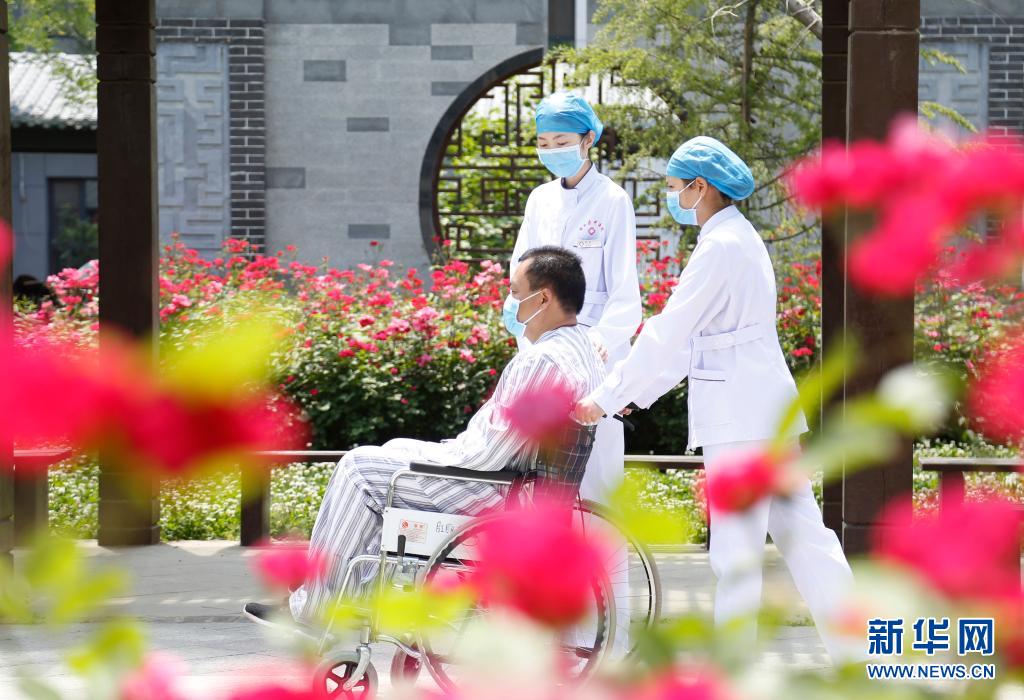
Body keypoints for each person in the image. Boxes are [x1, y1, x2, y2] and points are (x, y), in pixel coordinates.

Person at [574, 136, 863, 664]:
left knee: (736, 553)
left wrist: (606, 396)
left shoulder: (719, 248)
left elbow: (670, 332)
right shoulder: (740, 238)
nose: (672, 198)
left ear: (700, 187)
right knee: (806, 539)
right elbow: (697, 341)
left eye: (674, 188)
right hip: (764, 410)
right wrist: (631, 395)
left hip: (738, 418)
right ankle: (864, 653)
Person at [243, 246, 606, 626]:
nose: (510, 304)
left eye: (515, 293)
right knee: (390, 452)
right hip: (517, 483)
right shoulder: (583, 347)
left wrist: (432, 456)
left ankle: (315, 607)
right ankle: (345, 594)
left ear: (543, 298)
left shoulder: (541, 360)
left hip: (492, 488)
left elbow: (486, 457)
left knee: (358, 469)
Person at [510, 91, 642, 507]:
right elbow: (521, 275)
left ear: (588, 139)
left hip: (595, 358)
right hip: (544, 353)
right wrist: (520, 328)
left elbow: (624, 292)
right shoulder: (540, 200)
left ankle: (608, 554)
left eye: (562, 141)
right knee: (543, 477)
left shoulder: (613, 200)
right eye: (544, 142)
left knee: (598, 480)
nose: (552, 150)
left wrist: (599, 341)